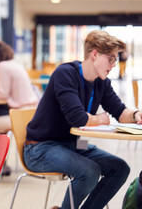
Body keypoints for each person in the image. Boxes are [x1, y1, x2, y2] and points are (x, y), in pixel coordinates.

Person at [24, 30, 142, 209]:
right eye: (110, 58)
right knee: (89, 171)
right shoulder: (65, 74)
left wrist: (135, 115)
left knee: (120, 169)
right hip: (40, 147)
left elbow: (120, 111)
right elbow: (77, 118)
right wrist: (100, 119)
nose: (114, 65)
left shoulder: (101, 82)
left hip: (72, 146)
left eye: (115, 59)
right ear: (94, 54)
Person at [0, 41, 39, 109]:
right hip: (30, 108)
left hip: (20, 111)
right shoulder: (13, 63)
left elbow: (3, 95)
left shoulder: (2, 66)